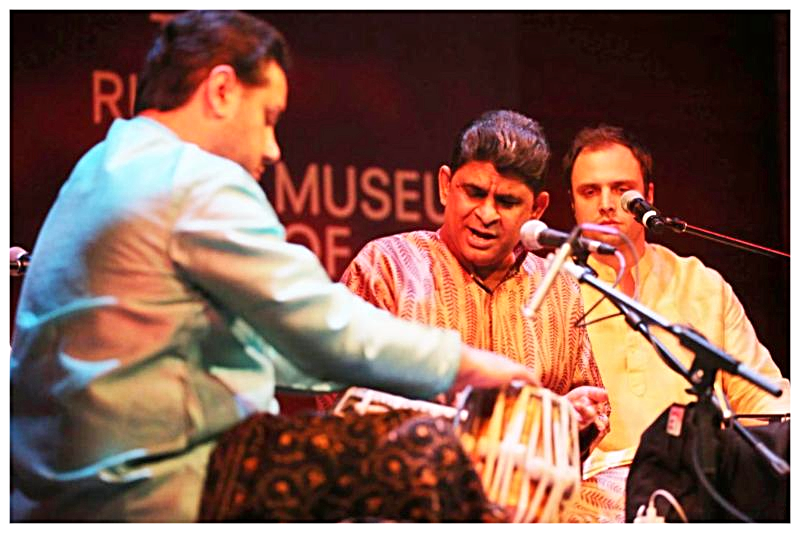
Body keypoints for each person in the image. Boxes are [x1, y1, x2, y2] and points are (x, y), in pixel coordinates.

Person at [9, 11, 539, 522]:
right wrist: (469, 364)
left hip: (53, 492)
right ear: (221, 91)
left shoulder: (97, 169)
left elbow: (265, 346)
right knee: (434, 457)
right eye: (267, 118)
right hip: (146, 487)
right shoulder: (190, 177)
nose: (272, 148)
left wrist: (414, 379)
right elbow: (318, 324)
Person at [340, 110, 610, 451]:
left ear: (537, 210)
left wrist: (573, 418)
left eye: (507, 201)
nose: (486, 214)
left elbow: (590, 410)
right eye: (474, 193)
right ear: (444, 186)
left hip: (522, 494)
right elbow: (341, 395)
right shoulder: (387, 267)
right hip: (407, 486)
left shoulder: (558, 288)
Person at [562, 124, 791, 522]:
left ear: (648, 196)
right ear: (572, 204)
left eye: (621, 189)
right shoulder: (551, 286)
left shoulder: (699, 283)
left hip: (707, 480)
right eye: (590, 191)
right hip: (599, 497)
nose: (606, 204)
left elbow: (765, 402)